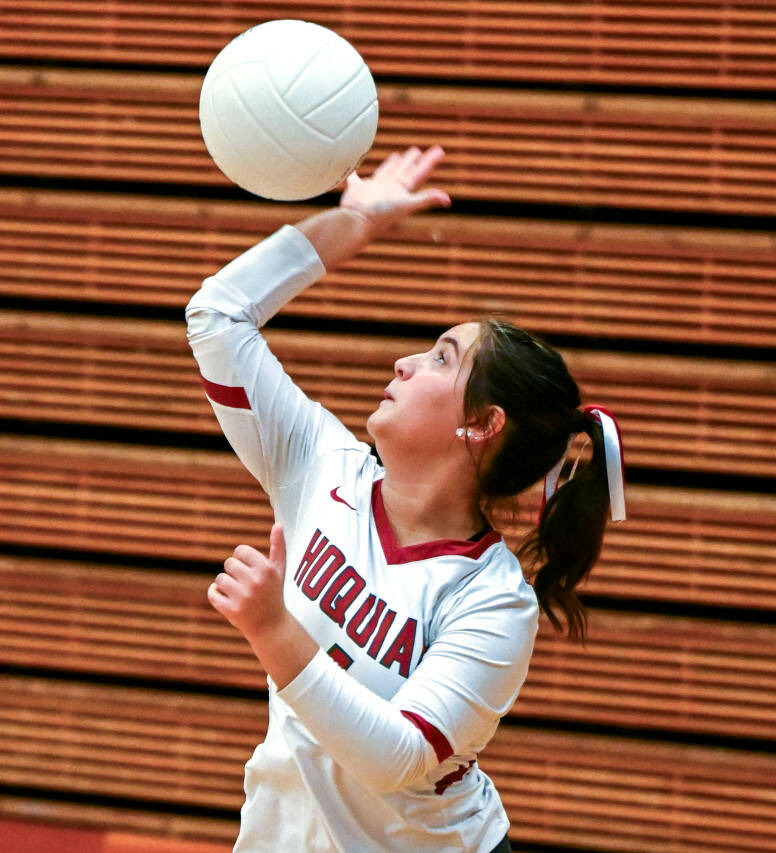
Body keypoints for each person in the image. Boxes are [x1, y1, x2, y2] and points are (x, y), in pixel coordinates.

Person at [185, 145, 625, 853]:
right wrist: (349, 224)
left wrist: (274, 632)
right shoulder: (320, 464)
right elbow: (217, 318)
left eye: (442, 357)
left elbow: (395, 756)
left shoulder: (494, 602)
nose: (405, 361)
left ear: (481, 425)